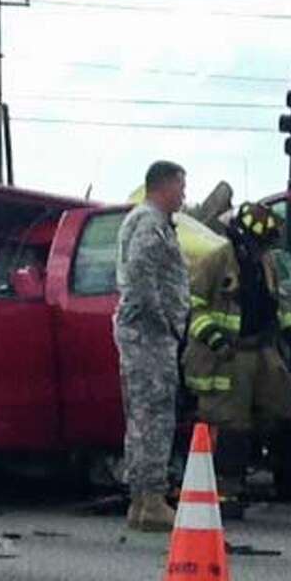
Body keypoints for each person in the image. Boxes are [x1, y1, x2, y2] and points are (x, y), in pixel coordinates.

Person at [183, 202, 291, 520]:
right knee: (230, 423)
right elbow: (193, 306)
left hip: (260, 350)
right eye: (258, 243)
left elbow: (276, 301)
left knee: (280, 406)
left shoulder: (265, 261)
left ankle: (247, 471)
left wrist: (290, 332)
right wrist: (214, 338)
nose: (262, 250)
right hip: (226, 355)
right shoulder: (216, 260)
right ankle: (224, 491)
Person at [114, 160, 190, 532]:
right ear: (163, 186)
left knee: (142, 417)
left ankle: (142, 501)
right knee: (154, 417)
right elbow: (142, 277)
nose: (184, 195)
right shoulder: (150, 223)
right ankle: (152, 499)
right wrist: (165, 322)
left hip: (145, 334)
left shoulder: (146, 221)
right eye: (180, 187)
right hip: (149, 336)